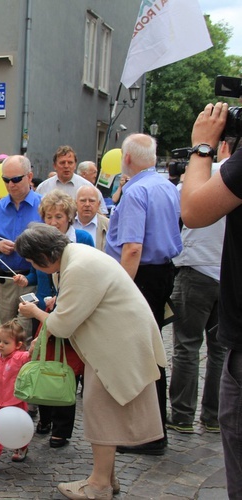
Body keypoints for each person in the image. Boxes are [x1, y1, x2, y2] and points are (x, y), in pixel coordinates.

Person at [17, 224, 166, 500]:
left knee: (101, 411)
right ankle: (106, 477)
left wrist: (35, 312)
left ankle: (99, 486)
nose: (31, 266)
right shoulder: (78, 256)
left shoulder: (79, 266)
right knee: (102, 409)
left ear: (44, 256)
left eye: (31, 261)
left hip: (117, 344)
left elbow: (62, 325)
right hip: (116, 341)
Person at [106, 133, 182, 456]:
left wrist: (121, 290)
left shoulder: (137, 192)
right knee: (152, 353)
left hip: (141, 278)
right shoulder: (166, 185)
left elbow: (133, 248)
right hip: (163, 271)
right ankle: (153, 429)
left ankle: (150, 434)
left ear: (127, 159)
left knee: (142, 355)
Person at [180, 100, 242, 497]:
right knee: (212, 352)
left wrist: (202, 147)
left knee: (188, 347)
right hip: (216, 280)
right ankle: (205, 416)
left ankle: (185, 416)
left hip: (202, 279)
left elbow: (194, 210)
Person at [14, 190, 93, 449]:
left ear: (69, 217)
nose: (54, 221)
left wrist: (54, 303)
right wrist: (27, 281)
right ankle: (45, 417)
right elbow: (39, 276)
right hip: (45, 309)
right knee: (42, 363)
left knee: (65, 369)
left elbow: (80, 283)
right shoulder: (41, 247)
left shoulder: (81, 240)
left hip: (66, 314)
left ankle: (61, 428)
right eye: (49, 216)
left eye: (59, 216)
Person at [0, 155, 42, 339]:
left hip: (32, 280)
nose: (11, 184)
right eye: (6, 180)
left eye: (16, 179)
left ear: (29, 177)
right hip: (4, 282)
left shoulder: (43, 206)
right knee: (1, 334)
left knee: (25, 336)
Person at [0, 320, 31, 473]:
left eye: (6, 342)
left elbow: (31, 356)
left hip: (16, 402)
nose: (0, 345)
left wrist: (35, 345)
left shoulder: (20, 357)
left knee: (19, 427)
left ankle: (21, 447)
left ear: (18, 345)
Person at [37, 146, 108, 214]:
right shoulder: (43, 187)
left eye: (70, 163)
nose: (66, 166)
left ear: (75, 165)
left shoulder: (88, 187)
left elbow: (102, 213)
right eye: (62, 163)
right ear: (54, 166)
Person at [73, 184, 109, 252]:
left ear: (98, 204)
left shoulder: (108, 226)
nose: (87, 204)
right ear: (76, 203)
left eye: (92, 201)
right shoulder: (67, 223)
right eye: (83, 200)